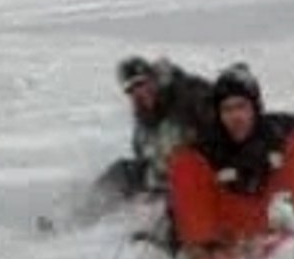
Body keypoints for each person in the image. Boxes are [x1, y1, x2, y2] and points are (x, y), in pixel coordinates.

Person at [167, 63, 294, 259]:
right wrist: (190, 245)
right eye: (227, 109)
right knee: (183, 163)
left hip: (277, 214)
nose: (235, 116)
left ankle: (289, 231)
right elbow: (179, 203)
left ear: (255, 107)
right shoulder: (206, 147)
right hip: (232, 231)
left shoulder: (280, 129)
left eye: (241, 106)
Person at [39, 56, 215, 237]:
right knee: (123, 173)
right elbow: (144, 153)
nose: (139, 92)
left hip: (203, 171)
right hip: (167, 177)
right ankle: (78, 218)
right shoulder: (144, 118)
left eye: (142, 83)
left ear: (153, 78)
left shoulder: (188, 95)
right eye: (131, 89)